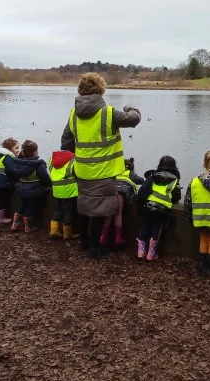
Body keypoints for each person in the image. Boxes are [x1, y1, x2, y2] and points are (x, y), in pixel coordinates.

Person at [61, 72, 141, 259]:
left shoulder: (74, 113)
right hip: (103, 171)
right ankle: (94, 248)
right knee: (98, 210)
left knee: (84, 205)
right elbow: (134, 119)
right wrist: (130, 106)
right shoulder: (108, 113)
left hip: (82, 169)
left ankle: (84, 242)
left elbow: (65, 142)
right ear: (100, 89)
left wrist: (82, 153)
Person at [136, 156, 181, 261]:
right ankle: (151, 254)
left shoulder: (152, 176)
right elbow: (176, 196)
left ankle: (141, 252)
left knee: (144, 227)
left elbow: (143, 191)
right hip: (162, 209)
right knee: (156, 228)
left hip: (148, 205)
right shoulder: (174, 180)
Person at [100, 157, 145, 248]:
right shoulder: (130, 173)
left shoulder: (115, 172)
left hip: (110, 194)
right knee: (118, 215)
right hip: (120, 195)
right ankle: (118, 237)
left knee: (108, 216)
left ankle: (102, 237)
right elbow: (141, 180)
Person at [11, 140, 51, 233]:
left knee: (22, 204)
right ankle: (29, 226)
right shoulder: (38, 165)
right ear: (35, 152)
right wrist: (50, 184)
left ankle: (16, 224)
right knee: (31, 206)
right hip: (34, 190)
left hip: (21, 189)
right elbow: (44, 178)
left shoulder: (20, 162)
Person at [48, 148, 80, 240]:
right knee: (68, 211)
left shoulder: (51, 159)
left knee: (58, 209)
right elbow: (78, 173)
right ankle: (67, 234)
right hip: (70, 191)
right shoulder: (73, 160)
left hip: (57, 190)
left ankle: (54, 231)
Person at [0, 138, 20, 224]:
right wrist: (16, 177)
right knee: (1, 200)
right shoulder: (7, 157)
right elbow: (10, 170)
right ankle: (0, 219)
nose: (18, 150)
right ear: (10, 149)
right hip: (2, 181)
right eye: (16, 148)